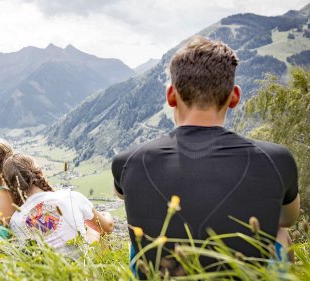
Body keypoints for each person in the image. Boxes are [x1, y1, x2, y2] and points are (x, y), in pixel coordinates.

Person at [111, 36, 300, 277]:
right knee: (280, 233)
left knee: (135, 243)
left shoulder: (127, 161)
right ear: (234, 97)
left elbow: (122, 194)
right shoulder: (278, 159)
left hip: (162, 274)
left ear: (171, 96)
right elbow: (288, 218)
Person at [2, 153, 114, 256]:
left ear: (12, 187)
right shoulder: (70, 196)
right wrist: (106, 215)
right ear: (40, 173)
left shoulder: (15, 221)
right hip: (84, 268)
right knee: (94, 228)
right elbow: (108, 228)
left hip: (52, 274)